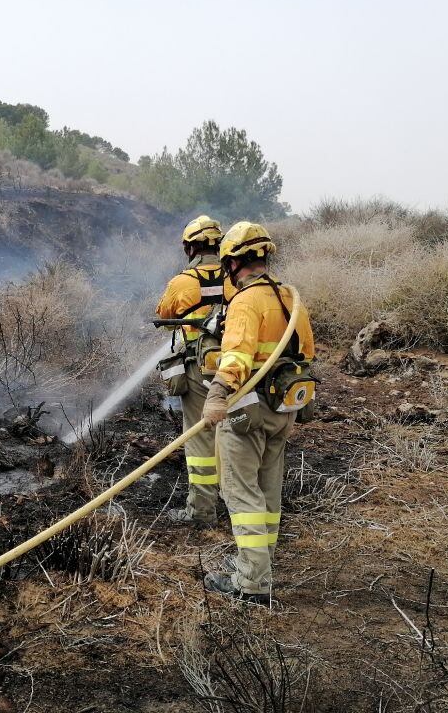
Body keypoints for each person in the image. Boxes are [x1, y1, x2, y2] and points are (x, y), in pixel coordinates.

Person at [201, 221, 316, 604]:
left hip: (247, 412)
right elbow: (306, 355)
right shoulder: (289, 297)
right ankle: (261, 570)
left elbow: (236, 355)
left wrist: (217, 393)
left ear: (233, 263)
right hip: (283, 410)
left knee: (241, 493)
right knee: (268, 493)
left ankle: (250, 583)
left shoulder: (246, 301)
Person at [154, 215, 232, 525]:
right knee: (232, 434)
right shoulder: (235, 278)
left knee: (199, 440)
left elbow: (164, 313)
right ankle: (234, 500)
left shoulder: (182, 282)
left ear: (190, 248)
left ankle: (201, 512)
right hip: (236, 368)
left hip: (199, 370)